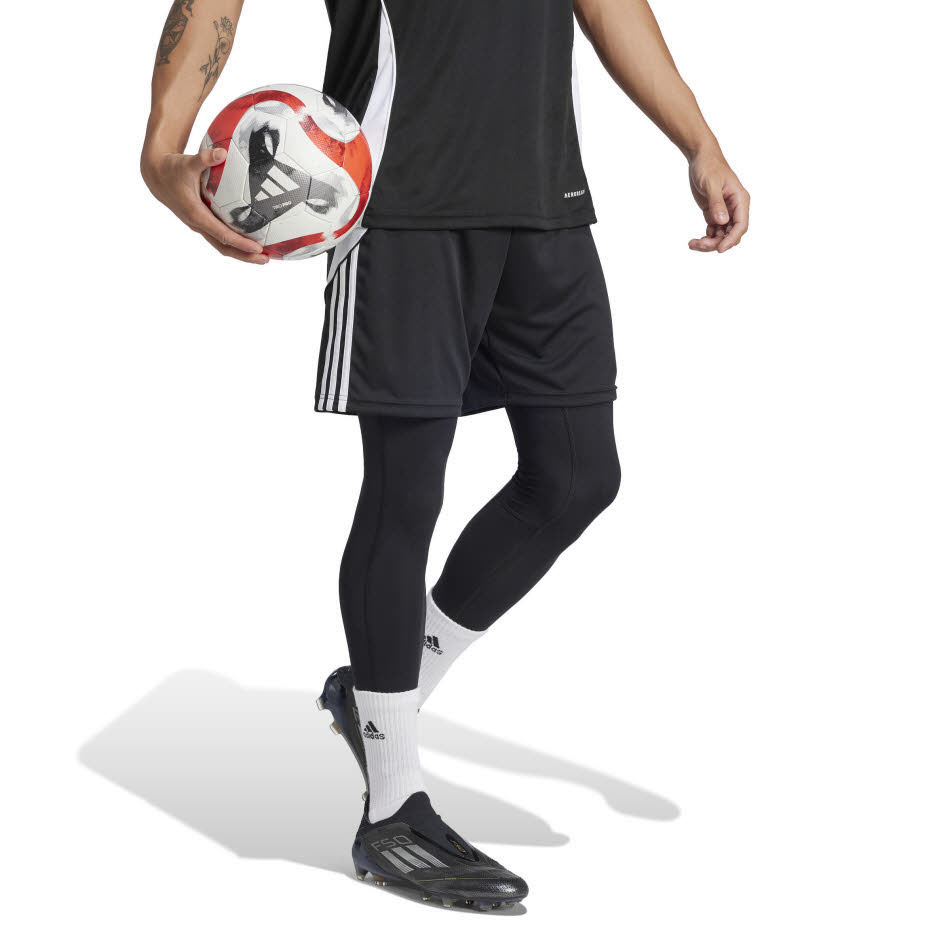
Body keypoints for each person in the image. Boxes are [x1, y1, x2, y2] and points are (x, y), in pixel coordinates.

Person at [141, 0, 750, 911]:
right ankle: (392, 811)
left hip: (542, 197)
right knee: (406, 493)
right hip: (400, 201)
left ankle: (385, 689)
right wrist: (163, 150)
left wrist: (698, 140)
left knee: (578, 476)